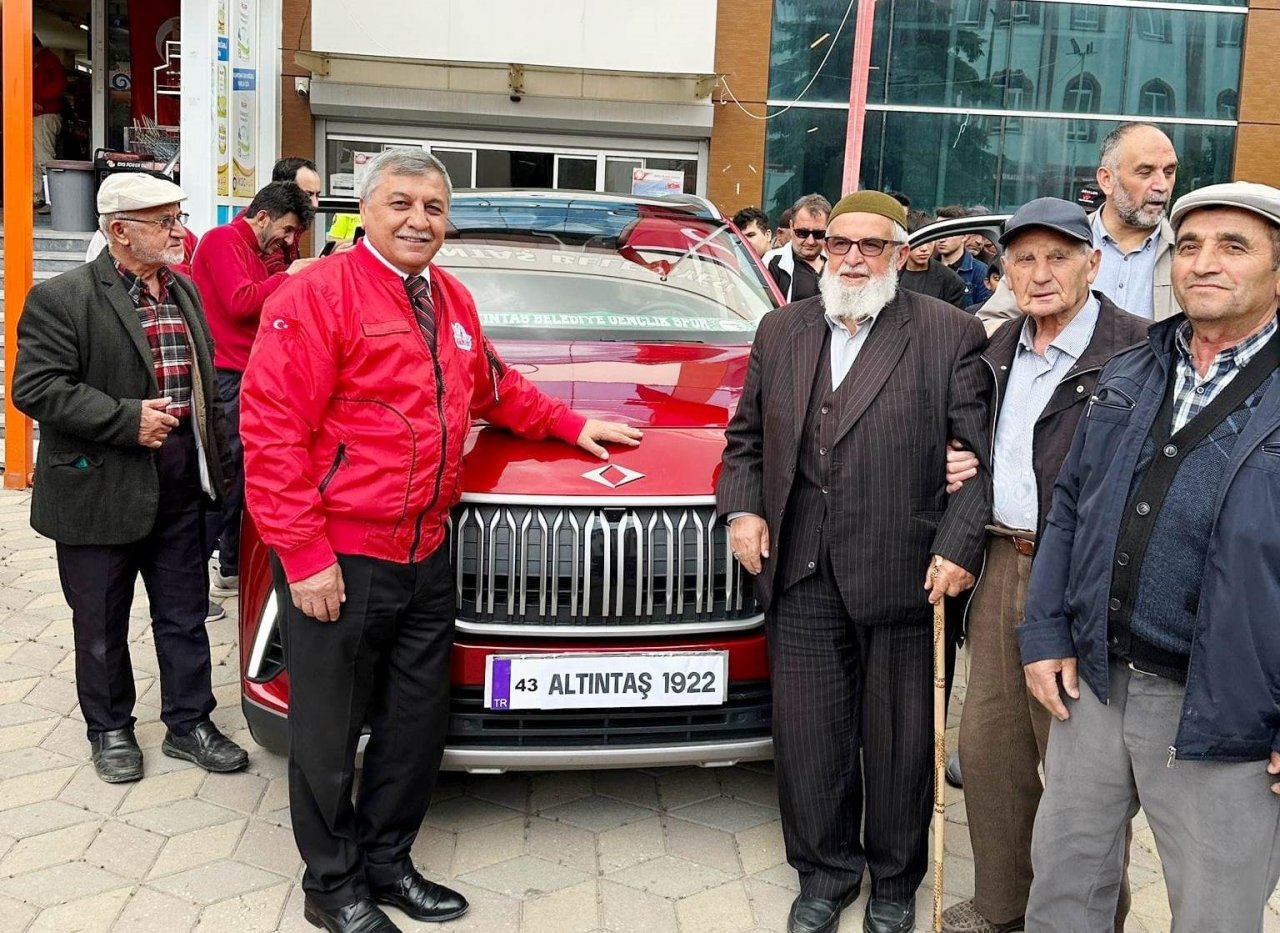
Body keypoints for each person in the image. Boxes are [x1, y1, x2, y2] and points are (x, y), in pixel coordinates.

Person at [239, 148, 643, 933]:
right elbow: (271, 432)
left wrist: (570, 422)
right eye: (401, 203)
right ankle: (333, 887)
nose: (418, 219)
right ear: (366, 209)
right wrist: (307, 558)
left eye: (432, 206)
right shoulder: (319, 293)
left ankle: (388, 863)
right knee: (326, 733)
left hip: (426, 550)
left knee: (412, 724)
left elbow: (492, 385)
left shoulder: (450, 297)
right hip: (344, 557)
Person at [717, 190, 991, 933]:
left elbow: (983, 462)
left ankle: (895, 882)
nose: (853, 258)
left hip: (906, 571)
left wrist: (959, 547)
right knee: (809, 735)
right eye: (840, 243)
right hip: (800, 568)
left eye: (872, 246)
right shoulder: (780, 329)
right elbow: (744, 440)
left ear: (900, 255)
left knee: (903, 742)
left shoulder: (949, 332)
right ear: (820, 248)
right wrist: (742, 508)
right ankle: (824, 873)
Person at [1018, 181, 1280, 931]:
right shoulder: (1133, 369)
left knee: (1214, 912)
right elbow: (1068, 505)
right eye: (1190, 245)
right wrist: (1044, 633)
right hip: (1094, 685)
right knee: (1066, 891)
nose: (1203, 262)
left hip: (1227, 710)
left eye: (1234, 246)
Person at [940, 199, 1148, 933]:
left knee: (1081, 768)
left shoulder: (1142, 350)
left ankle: (1091, 918)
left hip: (1087, 577)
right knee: (989, 748)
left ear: (1094, 263)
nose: (1041, 273)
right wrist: (952, 457)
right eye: (1024, 259)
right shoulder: (993, 353)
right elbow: (967, 441)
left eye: (1059, 256)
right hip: (1002, 559)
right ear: (1004, 271)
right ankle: (1002, 906)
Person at [11, 173, 247, 784]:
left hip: (179, 488)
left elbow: (199, 389)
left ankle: (190, 723)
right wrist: (125, 420)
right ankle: (110, 729)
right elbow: (35, 388)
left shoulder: (184, 292)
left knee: (184, 615)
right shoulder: (62, 298)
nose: (178, 231)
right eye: (164, 221)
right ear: (119, 231)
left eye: (177, 217)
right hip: (100, 489)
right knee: (100, 623)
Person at [191, 181, 316, 603]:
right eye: (286, 229)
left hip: (250, 372)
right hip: (227, 376)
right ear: (262, 216)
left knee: (247, 474)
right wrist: (289, 276)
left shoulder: (261, 249)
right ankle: (216, 571)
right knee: (230, 475)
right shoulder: (222, 241)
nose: (287, 239)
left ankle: (232, 565)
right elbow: (241, 302)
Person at [980, 123, 1181, 330]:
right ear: (1107, 180)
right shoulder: (1061, 239)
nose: (1162, 185)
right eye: (1145, 172)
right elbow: (991, 324)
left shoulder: (1189, 253)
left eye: (1169, 172)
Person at [764, 194, 831, 302]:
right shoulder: (772, 262)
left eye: (818, 234)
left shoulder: (836, 262)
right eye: (802, 233)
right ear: (791, 226)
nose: (810, 241)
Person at [264, 156, 324, 272]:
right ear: (285, 189)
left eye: (317, 195)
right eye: (308, 195)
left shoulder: (294, 219)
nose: (315, 204)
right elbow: (277, 272)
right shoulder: (269, 220)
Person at [899, 210, 967, 309]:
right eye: (919, 242)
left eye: (929, 241)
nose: (924, 248)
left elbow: (954, 320)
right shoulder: (890, 273)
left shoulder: (950, 280)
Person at [933, 205, 992, 307]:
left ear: (965, 236)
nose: (941, 239)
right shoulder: (928, 266)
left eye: (949, 232)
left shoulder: (981, 272)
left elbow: (984, 314)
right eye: (938, 232)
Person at [33, 37, 67, 213]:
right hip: (35, 114)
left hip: (45, 115)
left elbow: (60, 84)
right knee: (33, 158)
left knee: (43, 158)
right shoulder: (39, 59)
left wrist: (40, 100)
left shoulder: (48, 59)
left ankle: (52, 199)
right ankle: (38, 197)